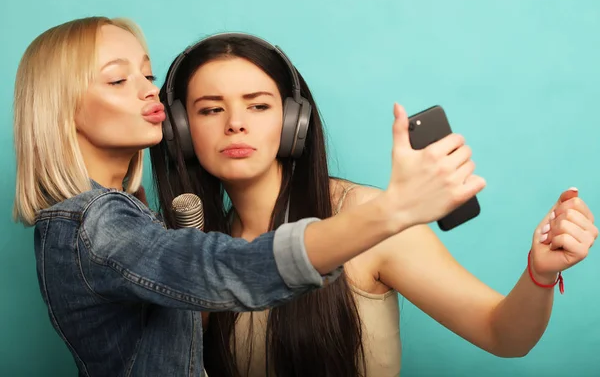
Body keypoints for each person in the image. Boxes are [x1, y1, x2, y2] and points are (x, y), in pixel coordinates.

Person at [12, 18, 485, 377]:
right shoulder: (96, 226)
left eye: (148, 75)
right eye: (118, 80)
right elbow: (228, 271)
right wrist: (393, 210)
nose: (148, 94)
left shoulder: (132, 222)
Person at [150, 33, 598, 377]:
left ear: (293, 123)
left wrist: (540, 273)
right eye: (210, 110)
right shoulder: (198, 249)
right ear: (181, 133)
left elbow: (504, 335)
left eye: (259, 106)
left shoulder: (370, 218)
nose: (236, 125)